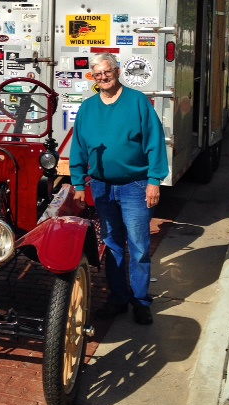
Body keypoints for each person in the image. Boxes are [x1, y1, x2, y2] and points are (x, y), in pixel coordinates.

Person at [70, 53, 169, 325]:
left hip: (135, 186)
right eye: (96, 74)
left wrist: (154, 181)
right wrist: (78, 183)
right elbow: (78, 147)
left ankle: (140, 301)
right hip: (102, 186)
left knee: (138, 246)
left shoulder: (137, 101)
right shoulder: (88, 108)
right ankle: (118, 298)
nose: (102, 77)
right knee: (112, 244)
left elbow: (154, 141)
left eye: (107, 72)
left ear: (117, 71)